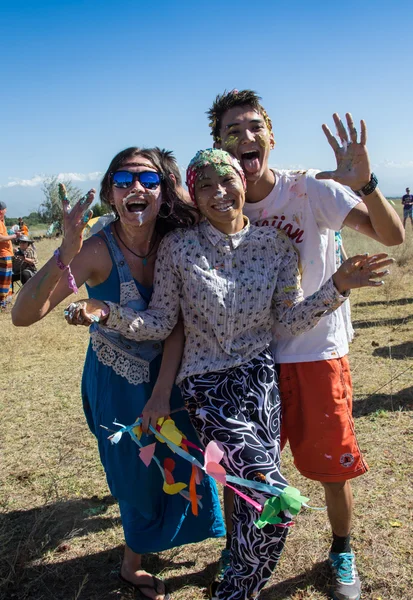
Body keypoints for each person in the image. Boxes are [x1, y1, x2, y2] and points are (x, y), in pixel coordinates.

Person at [66, 148, 393, 600]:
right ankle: (237, 591)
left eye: (227, 181)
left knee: (247, 502)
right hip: (206, 388)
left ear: (243, 183)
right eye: (205, 185)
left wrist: (337, 287)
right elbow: (161, 323)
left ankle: (239, 578)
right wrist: (105, 311)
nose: (219, 192)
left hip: (261, 385)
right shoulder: (178, 248)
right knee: (275, 500)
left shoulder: (276, 245)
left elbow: (288, 320)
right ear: (195, 196)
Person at [206, 89, 404, 600]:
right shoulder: (216, 201)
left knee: (330, 471)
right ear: (219, 145)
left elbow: (391, 234)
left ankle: (342, 551)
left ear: (270, 135)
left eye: (254, 127)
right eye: (233, 131)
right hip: (249, 364)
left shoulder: (308, 189)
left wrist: (367, 184)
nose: (246, 137)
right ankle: (238, 546)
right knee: (243, 471)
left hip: (316, 355)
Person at [12, 147, 225, 600]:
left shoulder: (177, 239)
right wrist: (64, 254)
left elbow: (179, 323)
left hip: (171, 372)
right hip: (115, 378)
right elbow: (22, 316)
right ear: (110, 192)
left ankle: (168, 538)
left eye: (148, 180)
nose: (136, 188)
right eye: (124, 180)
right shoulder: (95, 251)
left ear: (162, 190)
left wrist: (162, 392)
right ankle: (132, 566)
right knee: (135, 471)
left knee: (181, 460)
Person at [0, 201, 22, 309]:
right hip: (3, 256)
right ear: (1, 211)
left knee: (8, 279)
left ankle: (6, 302)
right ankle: (2, 304)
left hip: (6, 254)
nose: (6, 211)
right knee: (4, 280)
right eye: (5, 210)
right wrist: (14, 236)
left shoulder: (1, 222)